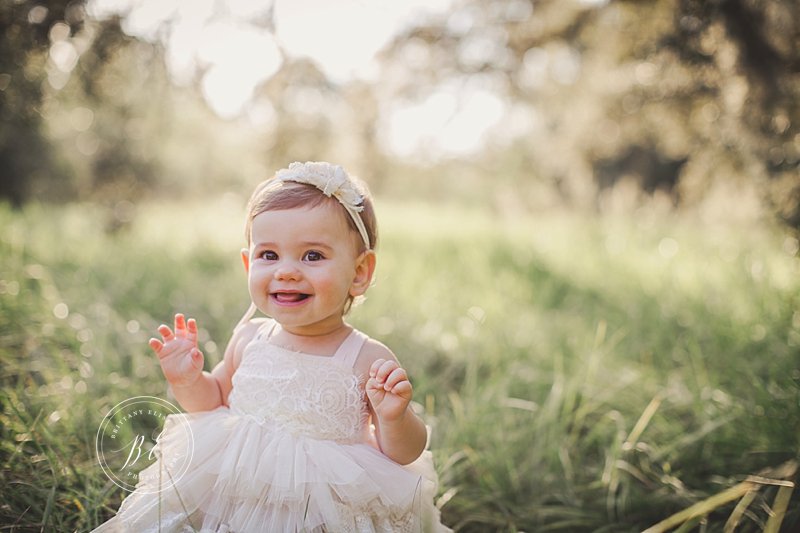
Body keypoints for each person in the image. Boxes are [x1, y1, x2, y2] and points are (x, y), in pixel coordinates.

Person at [93, 162, 450, 532]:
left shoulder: (367, 357)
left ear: (359, 272)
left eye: (312, 255)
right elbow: (212, 399)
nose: (287, 271)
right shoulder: (250, 338)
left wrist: (394, 416)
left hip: (323, 506)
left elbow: (403, 453)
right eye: (269, 255)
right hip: (235, 484)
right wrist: (187, 379)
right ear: (248, 262)